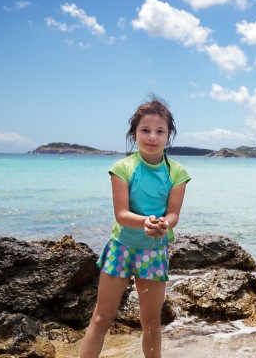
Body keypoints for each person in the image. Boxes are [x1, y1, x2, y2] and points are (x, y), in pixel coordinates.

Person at [80, 94, 190, 358]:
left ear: (168, 136)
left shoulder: (177, 172)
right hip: (122, 248)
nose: (152, 136)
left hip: (153, 252)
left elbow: (174, 214)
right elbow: (121, 214)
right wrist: (146, 221)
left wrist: (163, 224)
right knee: (102, 318)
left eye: (160, 131)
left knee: (151, 323)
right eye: (145, 130)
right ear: (134, 133)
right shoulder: (123, 168)